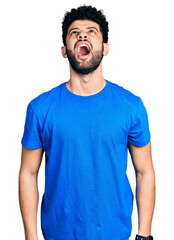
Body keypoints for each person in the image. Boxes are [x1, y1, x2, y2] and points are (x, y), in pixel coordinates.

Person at [18, 5, 155, 240]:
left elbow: (144, 172)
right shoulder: (40, 108)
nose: (82, 35)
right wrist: (31, 237)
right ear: (64, 50)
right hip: (58, 235)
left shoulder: (131, 106)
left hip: (116, 234)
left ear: (105, 47)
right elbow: (28, 174)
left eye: (92, 31)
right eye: (74, 32)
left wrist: (144, 235)